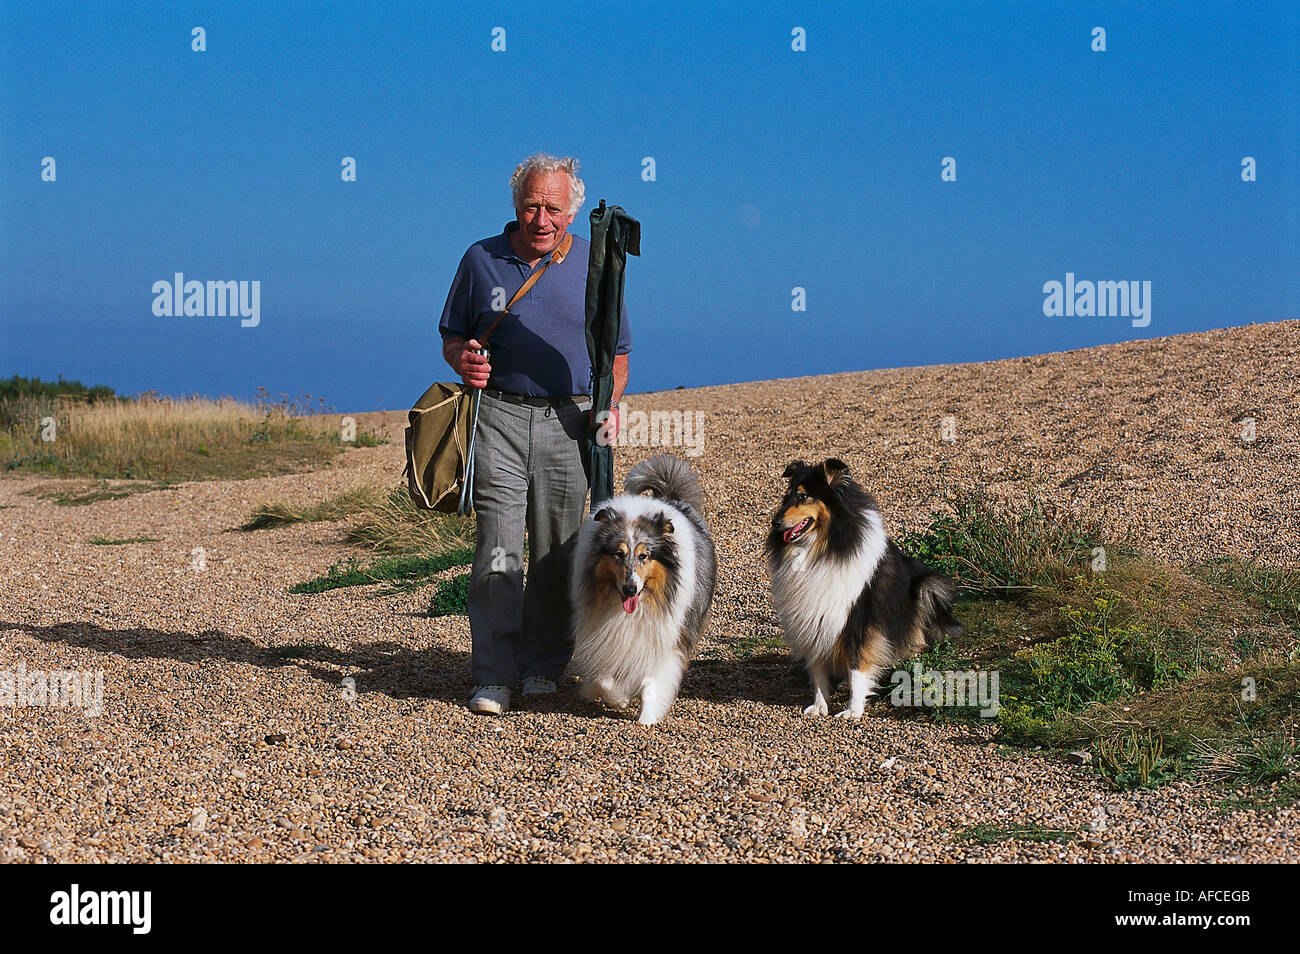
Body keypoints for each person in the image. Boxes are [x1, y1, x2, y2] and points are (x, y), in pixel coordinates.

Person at [438, 153, 631, 715]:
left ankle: (545, 665)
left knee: (558, 552)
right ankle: (493, 675)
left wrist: (610, 406)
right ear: (515, 206)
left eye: (552, 207)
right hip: (496, 416)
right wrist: (464, 361)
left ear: (571, 211)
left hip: (569, 422)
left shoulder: (597, 263)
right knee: (497, 547)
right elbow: (453, 337)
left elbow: (617, 353)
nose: (540, 218)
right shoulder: (481, 260)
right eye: (530, 205)